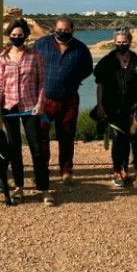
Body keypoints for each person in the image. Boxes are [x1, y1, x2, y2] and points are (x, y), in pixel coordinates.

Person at [0, 18, 49, 205]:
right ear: (9, 36)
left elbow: (42, 83)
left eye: (20, 35)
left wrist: (40, 104)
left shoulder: (35, 56)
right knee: (14, 150)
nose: (17, 38)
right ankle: (19, 187)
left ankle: (44, 189)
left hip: (30, 108)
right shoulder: (3, 58)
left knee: (37, 149)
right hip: (9, 108)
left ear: (25, 36)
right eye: (13, 35)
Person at [33, 16, 93, 187]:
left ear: (72, 30)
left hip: (69, 100)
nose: (61, 33)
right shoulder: (41, 44)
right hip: (44, 100)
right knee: (41, 137)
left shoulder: (80, 49)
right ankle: (41, 170)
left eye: (66, 31)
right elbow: (31, 65)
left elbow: (87, 69)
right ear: (54, 29)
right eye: (59, 30)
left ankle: (66, 171)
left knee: (67, 136)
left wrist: (71, 80)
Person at [93, 27, 137, 188]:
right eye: (118, 42)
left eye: (124, 42)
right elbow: (100, 85)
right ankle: (118, 171)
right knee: (118, 138)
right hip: (112, 107)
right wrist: (100, 105)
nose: (121, 44)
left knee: (135, 140)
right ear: (114, 42)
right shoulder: (107, 61)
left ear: (130, 42)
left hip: (133, 108)